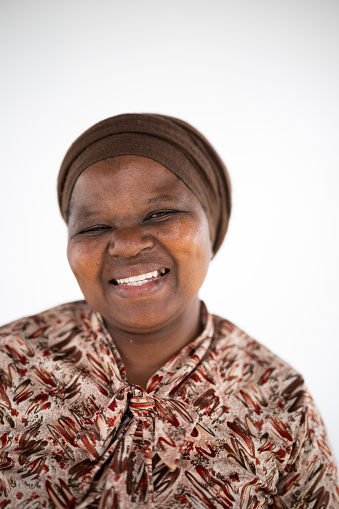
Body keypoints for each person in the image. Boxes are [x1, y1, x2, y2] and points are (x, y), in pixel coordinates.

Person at [0, 114, 337, 508]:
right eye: (93, 228)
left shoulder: (280, 400)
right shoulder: (9, 364)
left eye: (159, 214)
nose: (125, 244)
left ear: (212, 228)